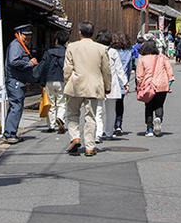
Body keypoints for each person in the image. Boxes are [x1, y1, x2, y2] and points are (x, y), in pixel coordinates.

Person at [63, 20, 111, 157]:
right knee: (90, 116)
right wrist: (107, 87)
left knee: (72, 113)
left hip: (76, 84)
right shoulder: (101, 49)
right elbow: (106, 70)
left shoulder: (72, 47)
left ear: (79, 33)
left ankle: (75, 137)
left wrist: (67, 81)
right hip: (94, 86)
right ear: (92, 33)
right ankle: (90, 146)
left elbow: (67, 68)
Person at [4, 23, 37, 142]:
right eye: (25, 36)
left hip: (19, 81)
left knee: (16, 106)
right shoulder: (16, 45)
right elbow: (14, 61)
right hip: (15, 81)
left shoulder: (20, 45)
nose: (27, 38)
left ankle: (10, 132)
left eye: (29, 36)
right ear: (19, 34)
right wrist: (29, 64)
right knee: (16, 106)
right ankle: (10, 134)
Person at [135, 37, 174, 137]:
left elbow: (139, 76)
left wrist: (139, 87)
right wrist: (169, 84)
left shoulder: (142, 59)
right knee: (159, 105)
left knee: (148, 106)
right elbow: (169, 71)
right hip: (162, 85)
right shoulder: (162, 57)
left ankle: (150, 129)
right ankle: (159, 119)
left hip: (148, 85)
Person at [35, 31, 68, 134]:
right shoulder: (67, 52)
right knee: (62, 102)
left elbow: (43, 67)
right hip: (62, 80)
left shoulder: (48, 52)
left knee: (51, 104)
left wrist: (41, 82)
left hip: (49, 80)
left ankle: (51, 126)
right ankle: (60, 118)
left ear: (56, 40)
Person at [100, 31, 130, 139]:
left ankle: (98, 133)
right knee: (111, 110)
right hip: (112, 84)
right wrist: (125, 83)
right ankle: (109, 132)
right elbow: (119, 69)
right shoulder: (113, 52)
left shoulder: (96, 51)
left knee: (98, 110)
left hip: (98, 84)